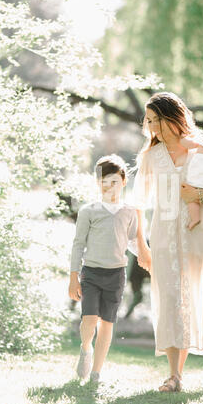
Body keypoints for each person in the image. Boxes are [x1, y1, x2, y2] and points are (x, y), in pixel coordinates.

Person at [131, 92, 203, 392]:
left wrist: (199, 195)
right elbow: (138, 204)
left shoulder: (200, 148)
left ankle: (176, 374)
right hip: (164, 237)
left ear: (172, 117)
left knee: (187, 298)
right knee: (169, 300)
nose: (152, 126)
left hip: (198, 237)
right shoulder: (150, 156)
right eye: (149, 121)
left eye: (156, 120)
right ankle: (174, 375)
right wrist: (142, 246)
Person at [69, 154, 138, 384]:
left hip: (116, 275)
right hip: (91, 273)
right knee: (89, 320)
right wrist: (73, 277)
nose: (109, 187)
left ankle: (96, 373)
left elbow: (132, 241)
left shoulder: (130, 211)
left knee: (107, 323)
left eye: (114, 182)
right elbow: (78, 244)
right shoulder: (89, 211)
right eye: (103, 182)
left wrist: (150, 259)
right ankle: (86, 348)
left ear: (123, 181)